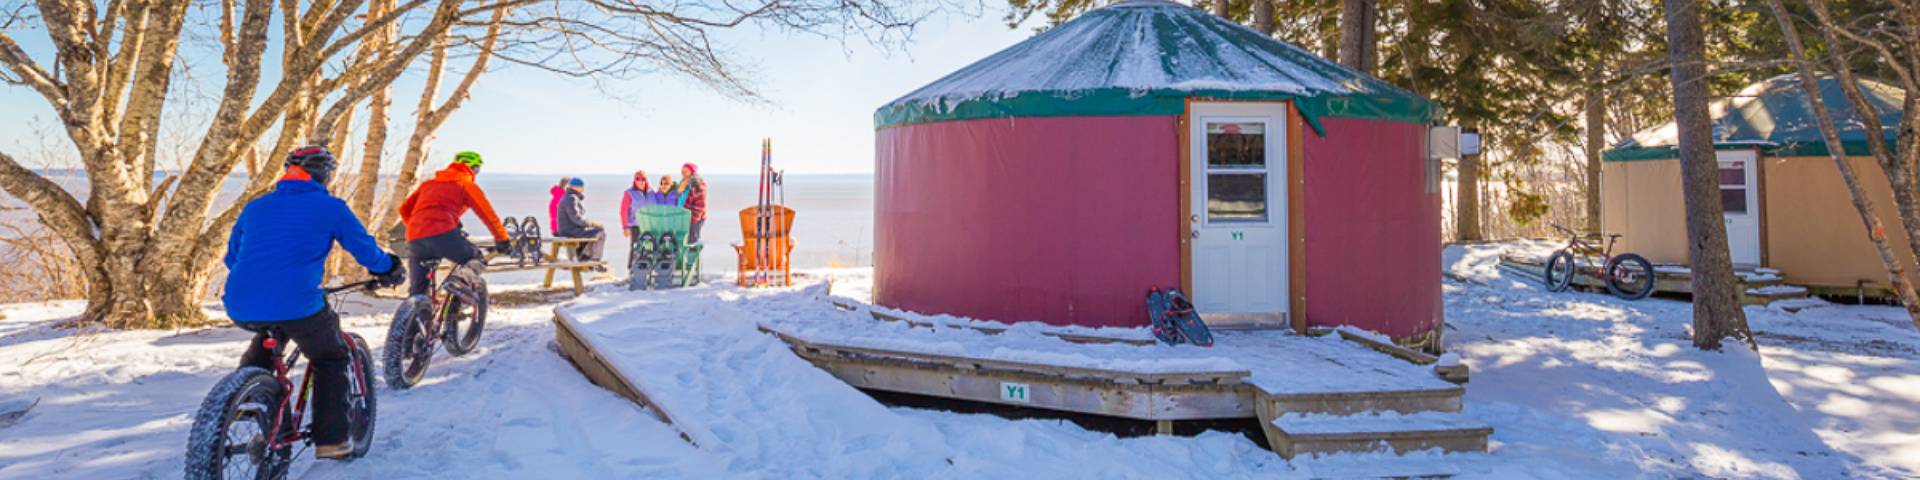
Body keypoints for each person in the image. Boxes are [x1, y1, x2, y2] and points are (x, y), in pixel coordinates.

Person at [222, 146, 406, 460]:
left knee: (272, 334)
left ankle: (246, 399)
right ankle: (332, 440)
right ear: (323, 174)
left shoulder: (256, 206)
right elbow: (364, 249)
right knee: (331, 357)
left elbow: (232, 258)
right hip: (297, 302)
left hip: (240, 302)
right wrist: (388, 268)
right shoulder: (330, 207)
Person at [397, 151, 511, 296]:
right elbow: (488, 215)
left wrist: (419, 227)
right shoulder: (466, 185)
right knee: (475, 259)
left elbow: (404, 210)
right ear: (473, 168)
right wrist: (502, 239)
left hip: (415, 238)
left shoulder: (428, 185)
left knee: (418, 292)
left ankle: (416, 313)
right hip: (443, 234)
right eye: (477, 169)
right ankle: (457, 293)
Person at [556, 178, 608, 267]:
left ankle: (585, 255)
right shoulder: (571, 198)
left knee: (595, 231)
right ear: (577, 187)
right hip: (571, 231)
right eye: (582, 187)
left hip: (569, 229)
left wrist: (590, 225)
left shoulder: (568, 197)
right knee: (600, 232)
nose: (583, 189)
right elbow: (576, 218)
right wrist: (592, 224)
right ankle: (594, 259)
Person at [679, 163, 708, 243]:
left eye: (685, 171)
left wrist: (694, 219)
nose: (683, 173)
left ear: (692, 171)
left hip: (694, 218)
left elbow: (700, 205)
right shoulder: (683, 183)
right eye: (682, 171)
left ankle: (695, 255)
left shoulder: (697, 184)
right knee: (684, 241)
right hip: (684, 217)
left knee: (693, 241)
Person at [619, 171, 649, 238]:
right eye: (638, 179)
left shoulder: (651, 192)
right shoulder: (629, 193)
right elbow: (623, 211)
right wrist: (625, 227)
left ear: (646, 180)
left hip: (649, 226)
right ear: (635, 180)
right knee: (636, 247)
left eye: (643, 179)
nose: (641, 181)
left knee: (649, 247)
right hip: (635, 226)